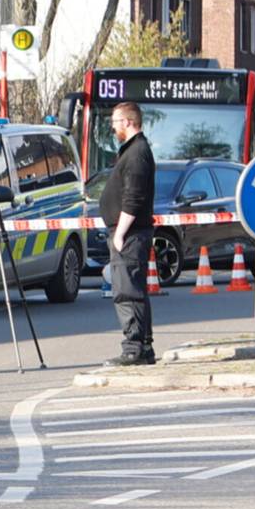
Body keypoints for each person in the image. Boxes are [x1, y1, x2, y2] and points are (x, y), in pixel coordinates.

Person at [99, 101, 156, 366]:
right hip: (131, 233)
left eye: (115, 123)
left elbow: (133, 197)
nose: (113, 129)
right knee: (134, 289)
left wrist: (120, 234)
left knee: (126, 291)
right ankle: (143, 347)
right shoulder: (134, 151)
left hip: (130, 235)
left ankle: (133, 348)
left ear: (128, 122)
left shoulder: (136, 154)